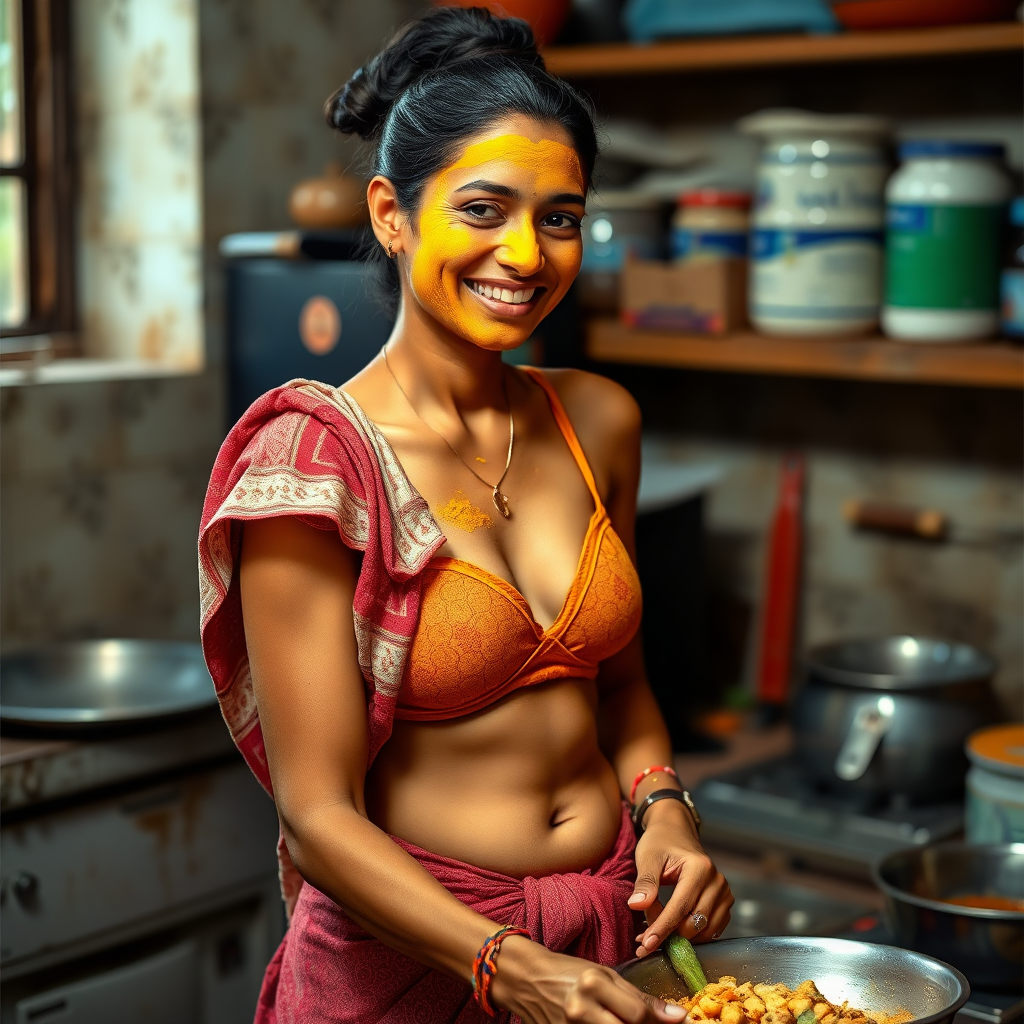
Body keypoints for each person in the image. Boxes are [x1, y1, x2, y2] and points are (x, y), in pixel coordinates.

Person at [198, 8, 733, 1023]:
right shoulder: (315, 466)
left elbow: (617, 684)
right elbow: (315, 817)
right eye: (483, 209)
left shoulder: (596, 420)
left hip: (602, 940)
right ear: (392, 214)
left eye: (560, 217)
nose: (524, 254)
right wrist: (504, 961)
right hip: (414, 962)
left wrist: (665, 811)